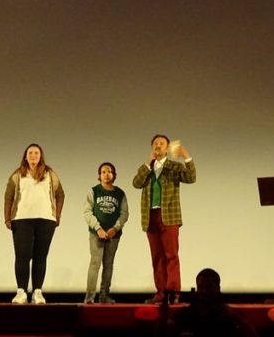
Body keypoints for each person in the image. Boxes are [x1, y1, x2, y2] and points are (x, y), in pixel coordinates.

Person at [133, 134, 196, 304]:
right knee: (157, 257)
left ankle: (173, 293)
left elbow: (191, 177)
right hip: (150, 216)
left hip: (168, 216)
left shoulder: (173, 167)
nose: (158, 146)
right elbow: (136, 183)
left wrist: (186, 156)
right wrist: (148, 163)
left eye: (161, 143)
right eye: (155, 143)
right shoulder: (147, 167)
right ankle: (161, 293)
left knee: (171, 255)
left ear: (167, 148)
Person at [4, 143, 64, 304]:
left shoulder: (50, 173)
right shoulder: (18, 174)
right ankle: (21, 291)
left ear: (41, 156)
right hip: (22, 219)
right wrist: (7, 218)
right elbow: (8, 197)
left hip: (46, 220)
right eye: (30, 153)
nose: (33, 156)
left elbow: (60, 194)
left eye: (36, 153)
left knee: (40, 256)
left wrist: (57, 215)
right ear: (25, 156)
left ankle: (37, 292)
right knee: (22, 256)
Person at [83, 162, 129, 304]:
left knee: (108, 264)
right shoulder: (94, 191)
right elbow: (87, 212)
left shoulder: (120, 193)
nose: (106, 174)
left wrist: (115, 228)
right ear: (99, 175)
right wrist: (98, 228)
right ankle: (89, 297)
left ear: (114, 175)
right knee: (95, 263)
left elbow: (124, 213)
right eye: (103, 172)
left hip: (113, 235)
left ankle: (104, 295)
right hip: (96, 233)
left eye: (110, 171)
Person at [174, 268, 259, 337]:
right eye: (201, 287)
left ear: (218, 288)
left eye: (209, 287)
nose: (205, 291)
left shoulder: (229, 314)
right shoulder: (186, 313)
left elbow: (252, 334)